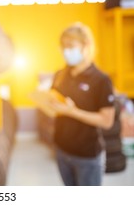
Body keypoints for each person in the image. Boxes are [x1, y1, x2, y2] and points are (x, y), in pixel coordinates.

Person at [49, 22, 115, 186]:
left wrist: (73, 112)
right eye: (63, 46)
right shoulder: (60, 74)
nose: (66, 50)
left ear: (86, 45)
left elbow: (106, 121)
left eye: (70, 45)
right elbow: (54, 103)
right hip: (62, 150)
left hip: (86, 156)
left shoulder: (101, 80)